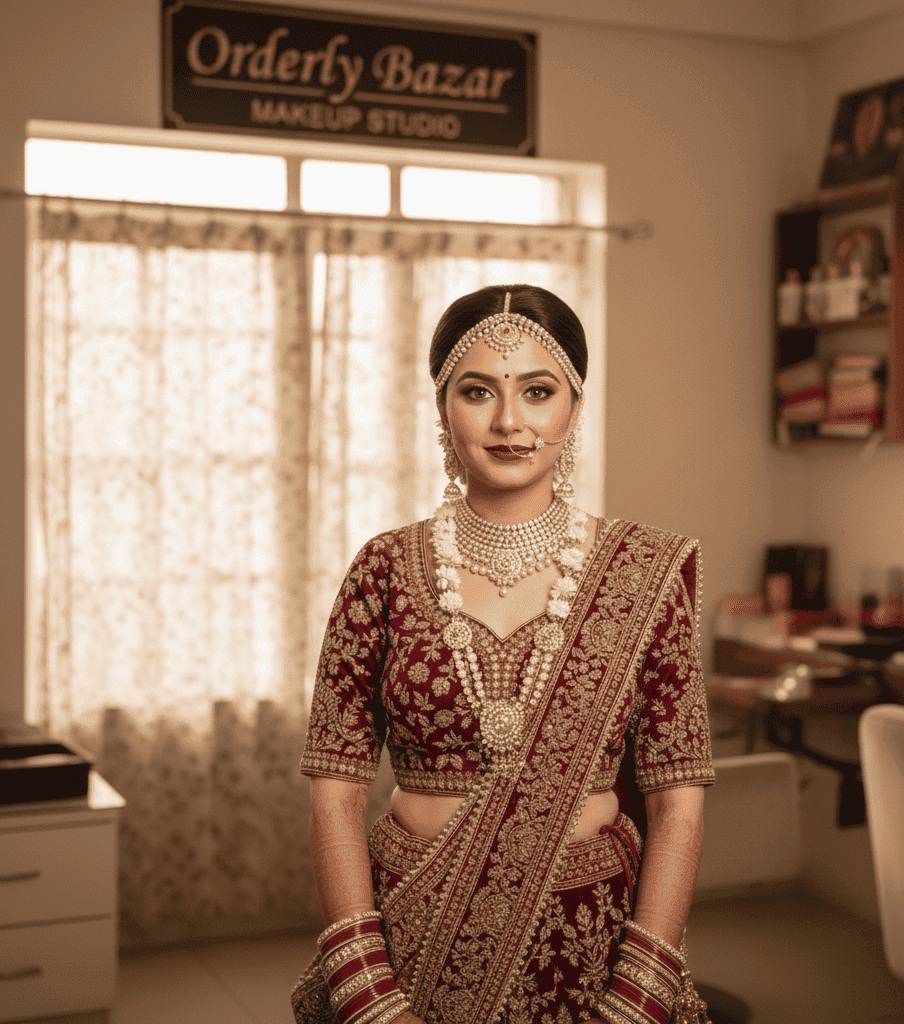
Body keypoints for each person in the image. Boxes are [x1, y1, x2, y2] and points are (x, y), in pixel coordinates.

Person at [292, 284, 715, 1024]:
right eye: (478, 391)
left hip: (593, 939)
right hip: (411, 939)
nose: (511, 422)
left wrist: (640, 990)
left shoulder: (642, 572)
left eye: (539, 392)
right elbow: (336, 789)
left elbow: (678, 801)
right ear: (441, 408)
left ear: (574, 409)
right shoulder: (383, 570)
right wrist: (365, 988)